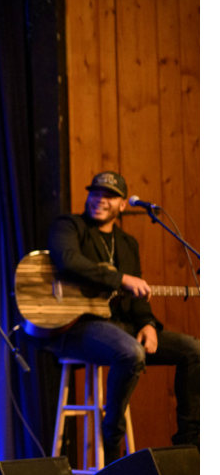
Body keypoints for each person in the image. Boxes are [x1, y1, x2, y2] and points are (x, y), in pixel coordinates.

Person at [44, 170, 199, 459]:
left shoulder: (127, 243)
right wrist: (119, 279)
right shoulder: (69, 226)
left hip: (121, 326)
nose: (100, 200)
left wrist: (149, 324)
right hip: (78, 326)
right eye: (95, 193)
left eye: (109, 196)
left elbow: (136, 295)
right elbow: (67, 261)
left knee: (193, 350)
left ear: (123, 205)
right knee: (130, 353)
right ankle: (112, 434)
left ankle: (191, 446)